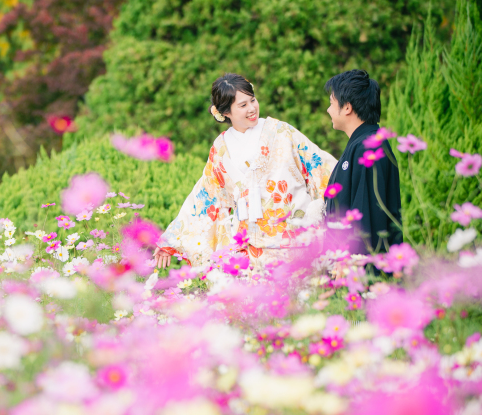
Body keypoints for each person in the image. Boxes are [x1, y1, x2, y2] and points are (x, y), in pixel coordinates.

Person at [153, 73, 337, 270]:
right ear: (225, 112)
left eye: (253, 100)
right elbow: (205, 196)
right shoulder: (221, 149)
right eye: (243, 105)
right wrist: (170, 240)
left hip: (295, 241)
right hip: (250, 251)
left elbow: (319, 165)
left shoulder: (281, 132)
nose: (252, 109)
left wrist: (354, 178)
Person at [324, 69, 402, 253]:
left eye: (331, 103)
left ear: (347, 107)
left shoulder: (367, 148)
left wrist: (349, 261)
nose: (328, 110)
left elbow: (365, 214)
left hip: (360, 269)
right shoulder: (364, 144)